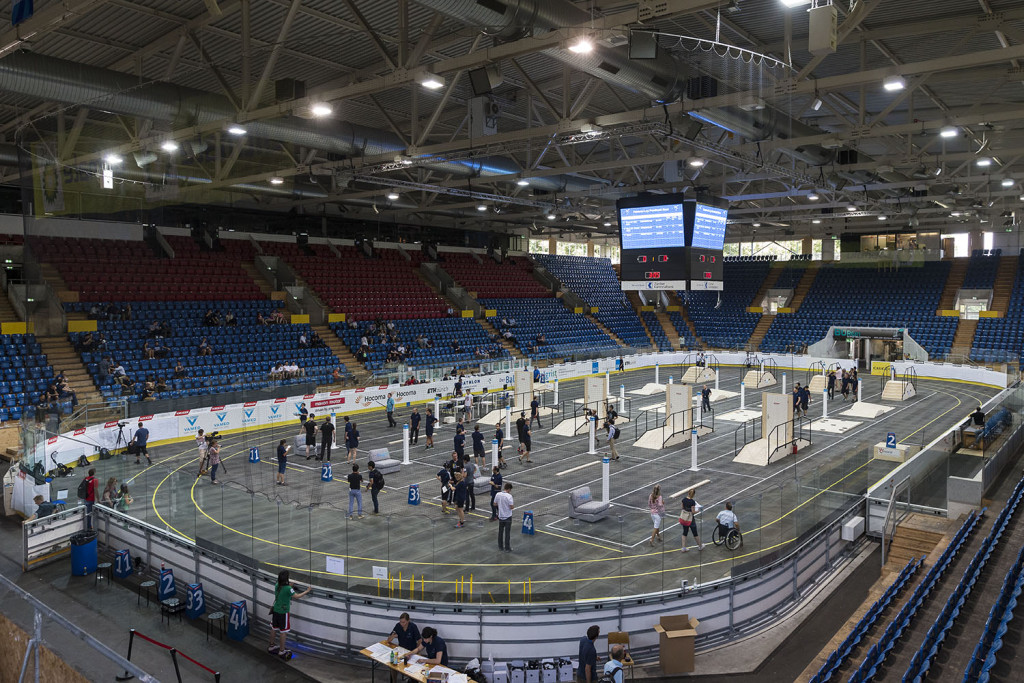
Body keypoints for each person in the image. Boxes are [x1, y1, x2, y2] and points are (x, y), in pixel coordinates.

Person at [267, 570, 311, 657]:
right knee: (283, 631)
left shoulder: (277, 585)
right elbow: (297, 596)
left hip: (276, 610)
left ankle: (271, 646)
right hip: (283, 612)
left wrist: (290, 586)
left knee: (274, 628)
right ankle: (282, 650)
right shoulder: (288, 589)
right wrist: (307, 591)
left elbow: (285, 589)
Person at [495, 482, 514, 552]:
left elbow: (494, 503)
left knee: (500, 531)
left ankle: (500, 546)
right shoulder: (509, 496)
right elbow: (512, 507)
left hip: (501, 516)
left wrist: (501, 506)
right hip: (508, 516)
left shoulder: (498, 494)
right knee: (507, 533)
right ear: (509, 489)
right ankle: (507, 548)